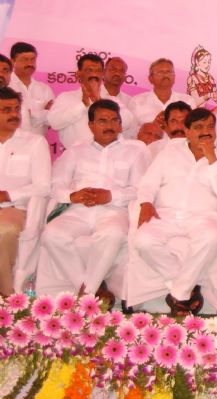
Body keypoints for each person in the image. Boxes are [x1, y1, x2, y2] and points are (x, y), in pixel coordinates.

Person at [37, 99, 148, 306]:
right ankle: (91, 289)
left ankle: (86, 293)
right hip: (78, 209)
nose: (109, 126)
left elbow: (140, 188)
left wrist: (111, 195)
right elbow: (56, 184)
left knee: (113, 234)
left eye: (114, 120)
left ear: (120, 124)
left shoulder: (134, 152)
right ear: (90, 125)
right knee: (52, 234)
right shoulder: (75, 151)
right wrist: (73, 196)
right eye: (102, 121)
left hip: (114, 210)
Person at [134, 108, 217, 315]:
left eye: (210, 127)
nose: (205, 132)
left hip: (203, 217)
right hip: (166, 214)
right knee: (143, 240)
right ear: (187, 131)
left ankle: (179, 295)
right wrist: (145, 203)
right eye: (198, 127)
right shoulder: (171, 151)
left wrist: (212, 159)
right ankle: (186, 288)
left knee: (212, 238)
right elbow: (149, 181)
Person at [0, 86, 51, 296]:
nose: (14, 114)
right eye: (6, 110)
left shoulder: (34, 142)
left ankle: (6, 294)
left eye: (16, 109)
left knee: (4, 230)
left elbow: (44, 185)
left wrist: (8, 195)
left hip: (14, 208)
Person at [49, 54, 137, 149]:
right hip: (76, 155)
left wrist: (99, 102)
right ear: (79, 74)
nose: (94, 74)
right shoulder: (66, 97)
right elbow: (54, 122)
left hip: (108, 155)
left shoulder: (112, 100)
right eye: (89, 70)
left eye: (98, 71)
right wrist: (83, 105)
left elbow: (127, 122)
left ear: (102, 74)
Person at [132, 59, 198, 125]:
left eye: (169, 72)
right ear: (150, 78)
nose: (165, 75)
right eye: (161, 72)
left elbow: (193, 127)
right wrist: (153, 126)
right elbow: (131, 130)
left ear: (174, 77)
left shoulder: (187, 100)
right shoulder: (136, 101)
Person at [8, 42, 53, 137]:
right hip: (10, 142)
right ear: (12, 61)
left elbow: (53, 119)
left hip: (39, 143)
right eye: (25, 59)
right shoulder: (6, 87)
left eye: (33, 60)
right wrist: (43, 114)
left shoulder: (44, 89)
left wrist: (29, 114)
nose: (30, 63)